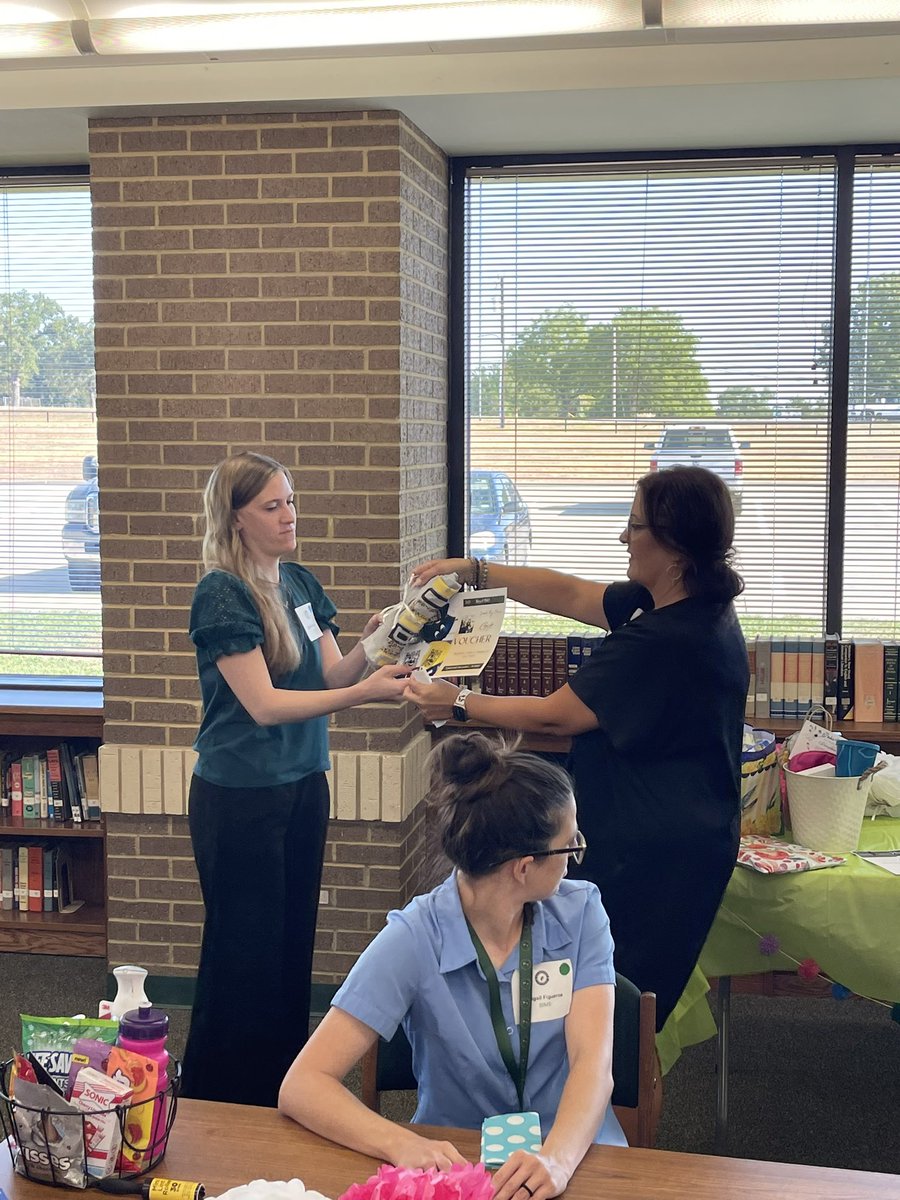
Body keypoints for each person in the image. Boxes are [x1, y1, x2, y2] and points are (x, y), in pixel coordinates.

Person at [406, 466, 749, 1029]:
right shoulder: (668, 602)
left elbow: (556, 713)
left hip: (656, 850)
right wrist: (476, 571)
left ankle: (601, 1104)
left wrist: (459, 704)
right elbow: (568, 592)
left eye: (635, 526)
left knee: (614, 1002)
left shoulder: (669, 638)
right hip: (669, 823)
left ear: (674, 547)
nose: (622, 537)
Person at [279, 732, 626, 1198]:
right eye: (569, 847)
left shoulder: (582, 912)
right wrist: (400, 1142)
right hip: (460, 1170)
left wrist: (556, 1160)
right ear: (523, 868)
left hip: (575, 1155)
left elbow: (592, 1064)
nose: (573, 862)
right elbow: (302, 1085)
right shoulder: (414, 937)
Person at [181, 451, 411, 1106]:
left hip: (305, 783)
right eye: (272, 506)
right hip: (241, 796)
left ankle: (282, 1092)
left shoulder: (301, 584)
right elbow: (265, 705)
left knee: (288, 951)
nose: (290, 516)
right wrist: (366, 693)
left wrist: (380, 641)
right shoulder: (221, 591)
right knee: (242, 959)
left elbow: (333, 675)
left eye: (291, 500)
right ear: (236, 517)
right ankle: (218, 1104)